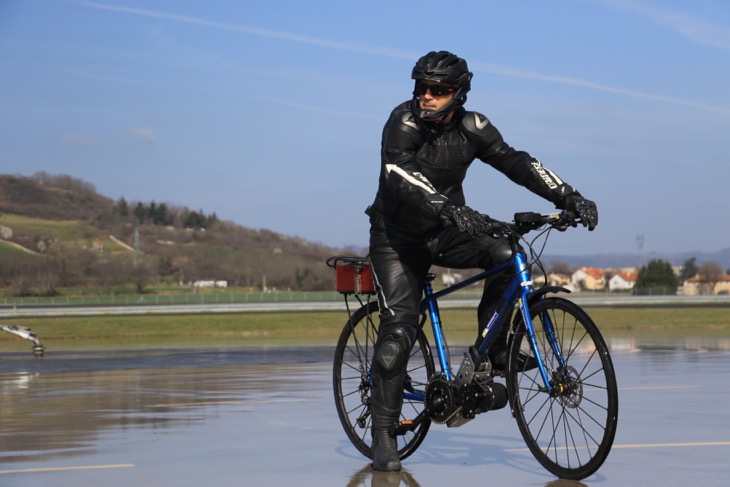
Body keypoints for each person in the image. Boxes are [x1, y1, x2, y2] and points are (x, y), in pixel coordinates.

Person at [365, 50, 598, 472]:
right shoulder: (403, 122)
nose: (426, 97)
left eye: (438, 90)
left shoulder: (474, 127)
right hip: (396, 239)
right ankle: (383, 432)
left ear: (459, 93)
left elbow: (517, 162)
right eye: (421, 88)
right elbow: (398, 173)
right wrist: (447, 206)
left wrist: (569, 196)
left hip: (444, 231)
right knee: (398, 332)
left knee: (507, 253)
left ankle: (490, 353)